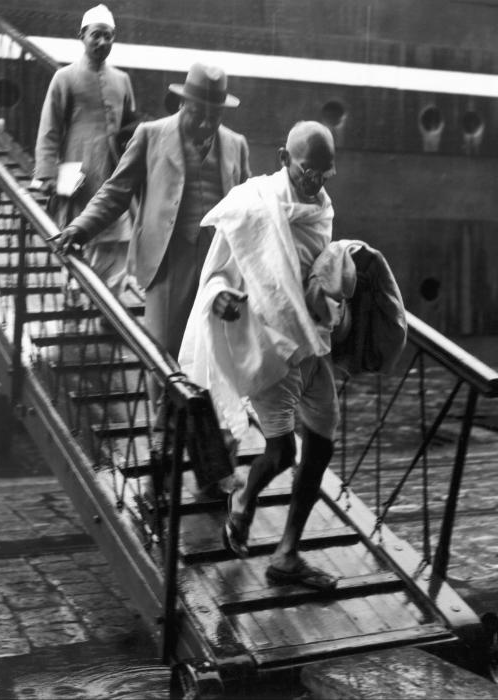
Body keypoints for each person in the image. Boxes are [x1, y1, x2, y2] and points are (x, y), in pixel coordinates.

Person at [178, 121, 341, 591]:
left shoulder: (323, 209)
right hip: (269, 346)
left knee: (323, 441)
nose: (316, 182)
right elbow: (216, 275)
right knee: (282, 449)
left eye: (325, 173)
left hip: (313, 343)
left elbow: (317, 267)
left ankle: (287, 553)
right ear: (284, 157)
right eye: (309, 170)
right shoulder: (252, 207)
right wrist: (221, 297)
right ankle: (245, 498)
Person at [58, 61, 250, 391]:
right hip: (167, 262)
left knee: (213, 351)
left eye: (214, 116)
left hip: (216, 266)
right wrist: (81, 228)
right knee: (163, 355)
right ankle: (161, 433)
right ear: (183, 104)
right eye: (198, 114)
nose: (206, 123)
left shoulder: (236, 144)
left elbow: (249, 211)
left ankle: (206, 434)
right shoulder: (151, 135)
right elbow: (116, 193)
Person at [31, 5, 137, 296]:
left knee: (115, 239)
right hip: (78, 176)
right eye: (96, 35)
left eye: (108, 36)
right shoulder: (64, 78)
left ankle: (109, 307)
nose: (103, 42)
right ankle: (75, 295)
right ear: (82, 36)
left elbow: (130, 127)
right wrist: (46, 175)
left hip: (114, 173)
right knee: (77, 236)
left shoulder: (122, 80)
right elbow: (49, 129)